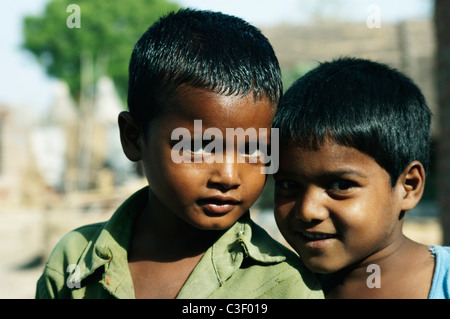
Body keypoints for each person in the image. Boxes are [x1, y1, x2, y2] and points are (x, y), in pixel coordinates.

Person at [35, 8, 323, 299]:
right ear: (134, 138)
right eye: (198, 147)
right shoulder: (72, 263)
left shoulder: (285, 286)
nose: (228, 176)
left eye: (253, 149)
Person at [272, 57, 450, 299]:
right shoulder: (269, 288)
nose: (308, 211)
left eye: (341, 185)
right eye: (288, 184)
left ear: (408, 187)